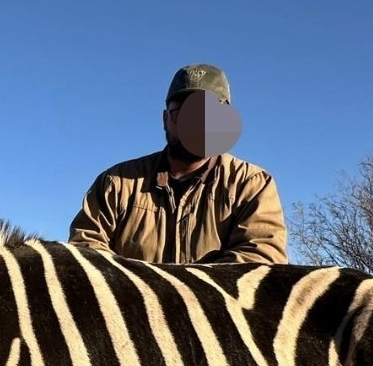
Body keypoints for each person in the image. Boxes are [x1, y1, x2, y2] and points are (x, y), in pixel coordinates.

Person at [69, 63, 288, 264]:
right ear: (165, 119)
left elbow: (262, 259)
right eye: (181, 113)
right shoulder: (116, 183)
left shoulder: (252, 184)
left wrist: (182, 294)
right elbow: (85, 251)